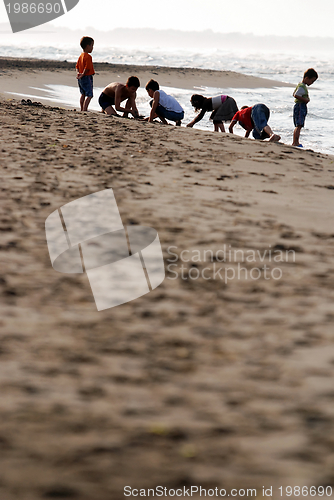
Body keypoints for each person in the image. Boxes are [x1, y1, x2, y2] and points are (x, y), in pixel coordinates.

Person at [292, 68, 318, 147]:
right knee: (299, 125)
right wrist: (305, 100)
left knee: (299, 125)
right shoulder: (302, 86)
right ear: (306, 78)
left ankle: (296, 141)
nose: (312, 83)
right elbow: (296, 95)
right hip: (300, 106)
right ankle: (295, 142)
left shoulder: (302, 86)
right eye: (312, 81)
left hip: (301, 106)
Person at [76, 36, 94, 112]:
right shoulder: (88, 56)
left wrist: (78, 73)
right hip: (86, 77)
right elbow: (87, 68)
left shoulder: (81, 55)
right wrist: (83, 74)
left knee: (83, 94)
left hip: (81, 77)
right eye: (92, 45)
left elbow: (77, 66)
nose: (92, 48)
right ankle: (85, 109)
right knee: (89, 95)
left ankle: (82, 108)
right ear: (87, 46)